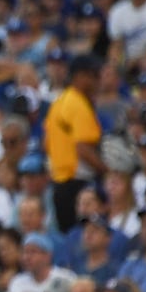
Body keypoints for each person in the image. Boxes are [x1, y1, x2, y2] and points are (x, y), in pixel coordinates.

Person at [43, 54, 103, 232]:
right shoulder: (78, 104)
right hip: (76, 183)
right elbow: (83, 148)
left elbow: (46, 143)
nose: (97, 82)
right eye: (94, 76)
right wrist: (107, 171)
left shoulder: (59, 102)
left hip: (58, 184)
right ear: (80, 76)